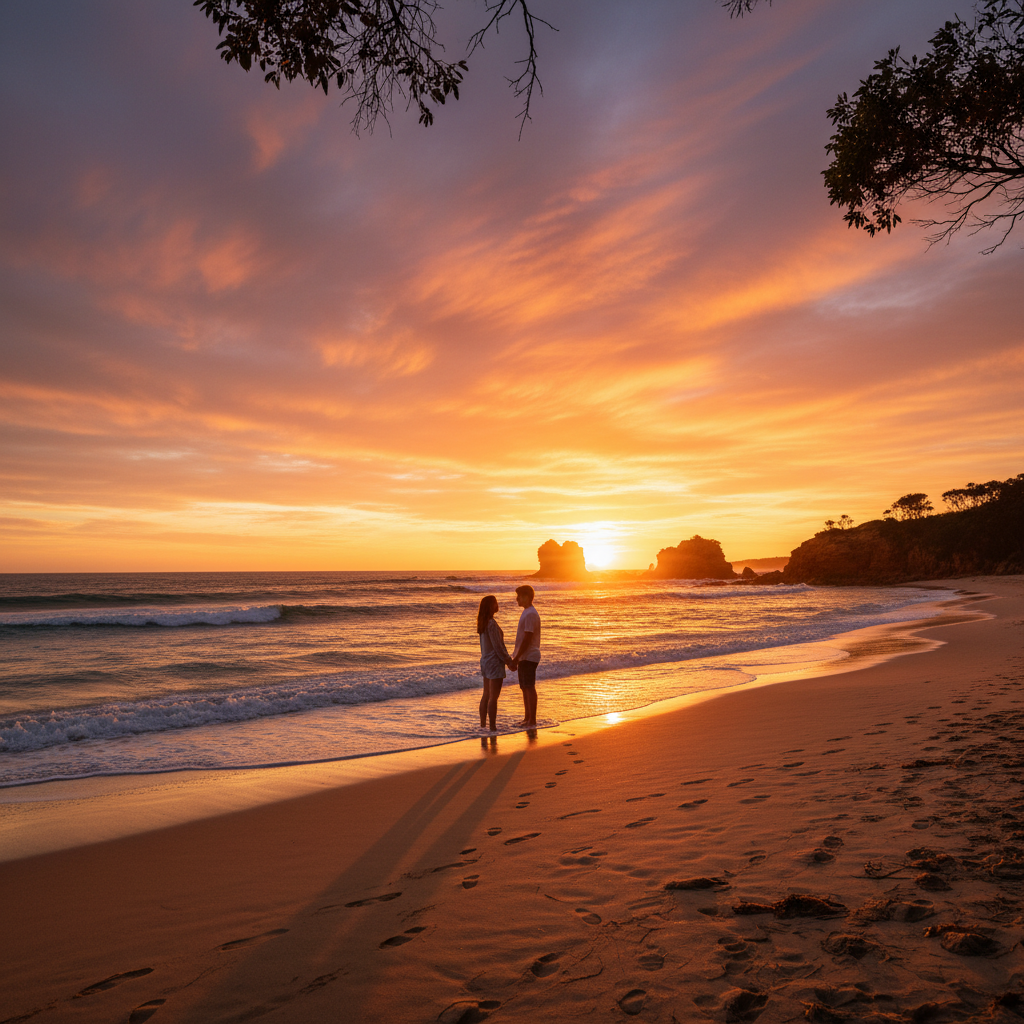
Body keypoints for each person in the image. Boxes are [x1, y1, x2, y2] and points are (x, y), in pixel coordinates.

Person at [477, 595, 513, 732]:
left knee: (486, 695)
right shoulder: (491, 623)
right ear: (490, 606)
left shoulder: (483, 622)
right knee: (493, 697)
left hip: (485, 661)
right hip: (493, 662)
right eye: (495, 603)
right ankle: (492, 727)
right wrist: (508, 660)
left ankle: (482, 726)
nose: (497, 605)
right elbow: (498, 646)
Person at [510, 584, 541, 728]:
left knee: (529, 686)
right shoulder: (527, 612)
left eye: (519, 596)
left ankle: (532, 719)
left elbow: (528, 638)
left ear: (527, 597)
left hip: (529, 655)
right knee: (524, 687)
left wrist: (516, 658)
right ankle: (527, 717)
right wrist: (517, 656)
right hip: (524, 656)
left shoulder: (530, 614)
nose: (517, 599)